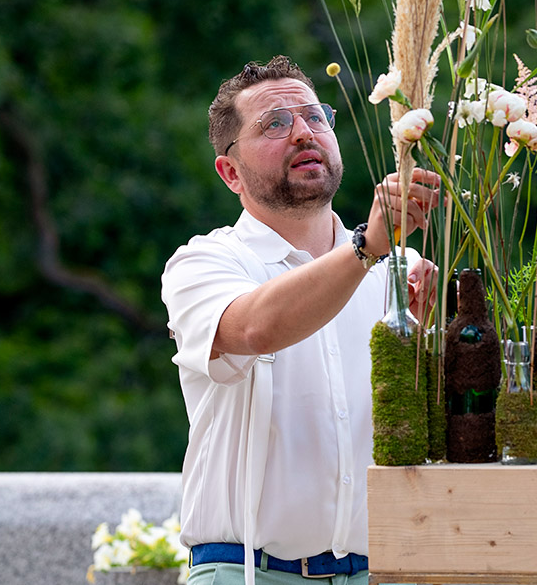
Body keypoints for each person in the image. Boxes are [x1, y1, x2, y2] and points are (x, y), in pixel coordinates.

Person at [162, 56, 440, 585]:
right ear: (230, 172)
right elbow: (253, 329)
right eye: (274, 124)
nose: (302, 133)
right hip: (245, 572)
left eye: (315, 117)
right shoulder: (203, 262)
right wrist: (366, 248)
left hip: (380, 571)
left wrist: (445, 332)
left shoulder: (395, 277)